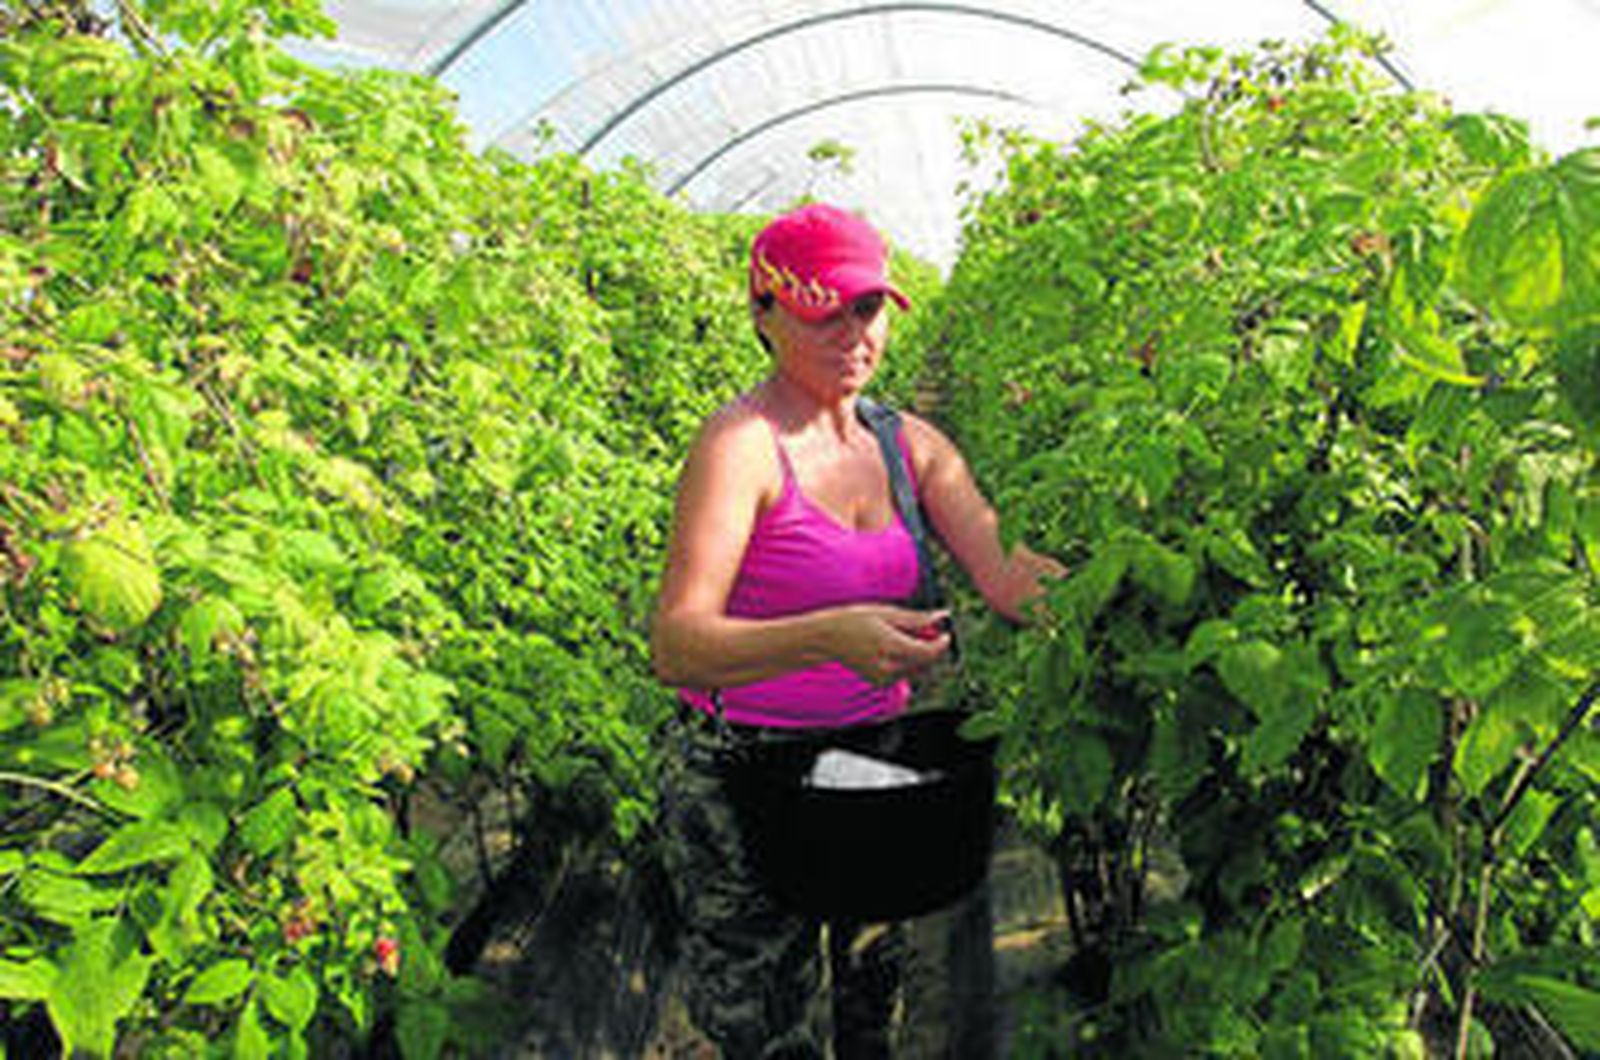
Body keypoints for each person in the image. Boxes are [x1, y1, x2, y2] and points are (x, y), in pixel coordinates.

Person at [650, 202, 1064, 1058]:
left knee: (874, 991)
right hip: (743, 774)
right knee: (768, 1023)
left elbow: (1005, 572)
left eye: (867, 308)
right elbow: (678, 644)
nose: (853, 334)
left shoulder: (910, 444)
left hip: (868, 760)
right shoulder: (741, 448)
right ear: (764, 312)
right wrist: (827, 636)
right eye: (821, 310)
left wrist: (1121, 599)